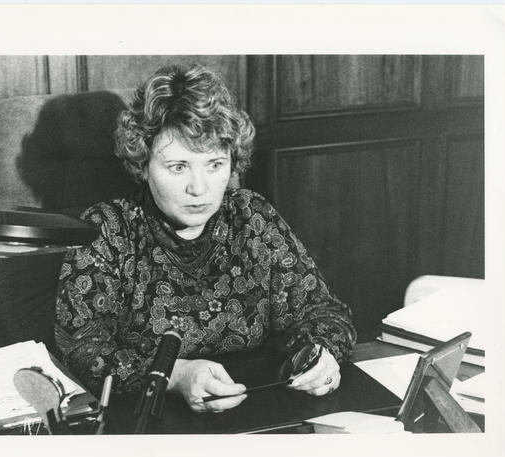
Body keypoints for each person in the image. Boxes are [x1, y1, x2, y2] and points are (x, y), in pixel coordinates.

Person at [54, 64, 356, 413]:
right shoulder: (107, 229)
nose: (199, 189)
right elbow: (81, 348)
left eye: (214, 165)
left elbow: (325, 313)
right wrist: (173, 376)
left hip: (258, 411)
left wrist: (321, 355)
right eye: (178, 167)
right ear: (143, 164)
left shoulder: (252, 216)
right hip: (151, 419)